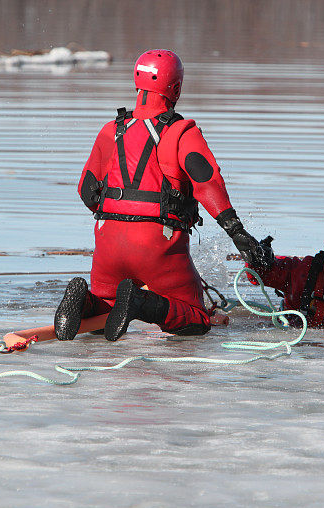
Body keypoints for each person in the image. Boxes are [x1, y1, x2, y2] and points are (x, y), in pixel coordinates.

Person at [54, 49, 270, 342]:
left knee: (105, 305)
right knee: (195, 318)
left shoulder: (111, 130)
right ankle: (139, 303)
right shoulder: (182, 132)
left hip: (108, 243)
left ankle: (85, 303)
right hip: (159, 246)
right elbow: (208, 184)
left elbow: (87, 193)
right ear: (176, 88)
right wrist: (238, 233)